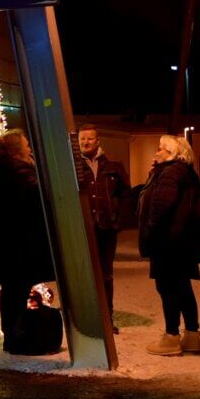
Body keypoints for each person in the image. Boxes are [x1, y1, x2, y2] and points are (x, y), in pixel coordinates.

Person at [0, 129, 56, 352]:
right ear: (16, 150)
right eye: (26, 145)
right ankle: (15, 338)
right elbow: (39, 195)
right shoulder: (17, 170)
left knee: (13, 292)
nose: (30, 149)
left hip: (5, 246)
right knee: (15, 291)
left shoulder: (2, 169)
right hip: (15, 248)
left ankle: (13, 337)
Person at [138, 134, 200, 356]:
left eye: (159, 149)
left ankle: (171, 337)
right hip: (183, 242)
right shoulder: (185, 171)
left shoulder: (170, 173)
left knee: (167, 288)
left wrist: (150, 232)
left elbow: (160, 206)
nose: (156, 152)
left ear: (171, 153)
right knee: (183, 287)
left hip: (168, 243)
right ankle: (192, 335)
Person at [77, 124, 130, 333]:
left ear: (98, 141)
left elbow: (126, 195)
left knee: (106, 275)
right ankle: (87, 319)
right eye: (82, 139)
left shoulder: (113, 167)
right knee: (85, 275)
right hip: (83, 230)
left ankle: (107, 319)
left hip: (106, 229)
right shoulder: (73, 167)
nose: (86, 142)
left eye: (89, 139)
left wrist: (118, 220)